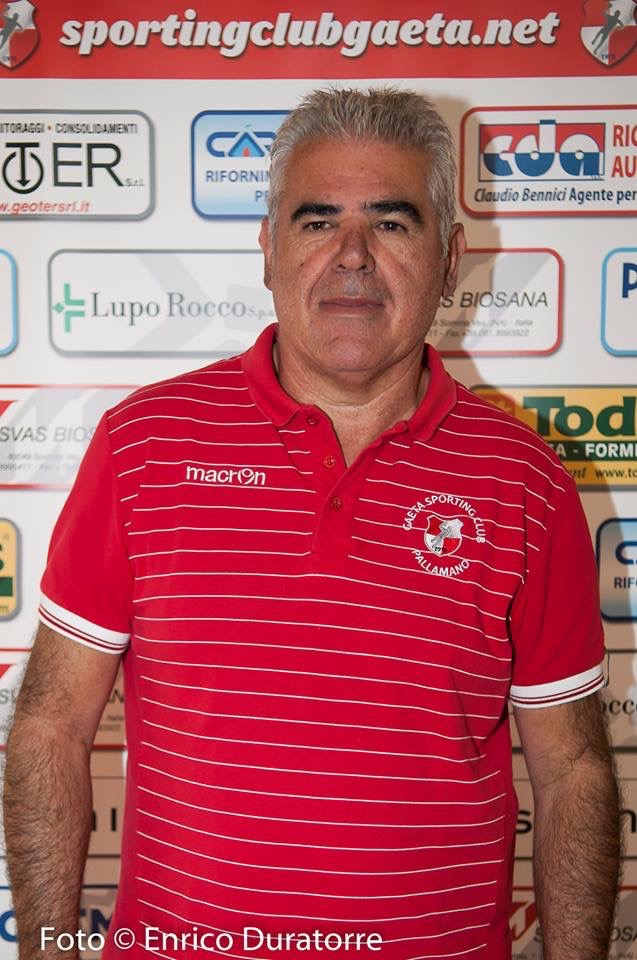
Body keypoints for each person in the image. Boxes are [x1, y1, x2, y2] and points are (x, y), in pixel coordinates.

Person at [4, 87, 620, 960]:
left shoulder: (527, 484)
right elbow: (51, 725)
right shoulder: (144, 445)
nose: (352, 256)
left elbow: (573, 773)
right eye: (317, 220)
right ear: (268, 247)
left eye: (391, 223)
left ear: (449, 258)